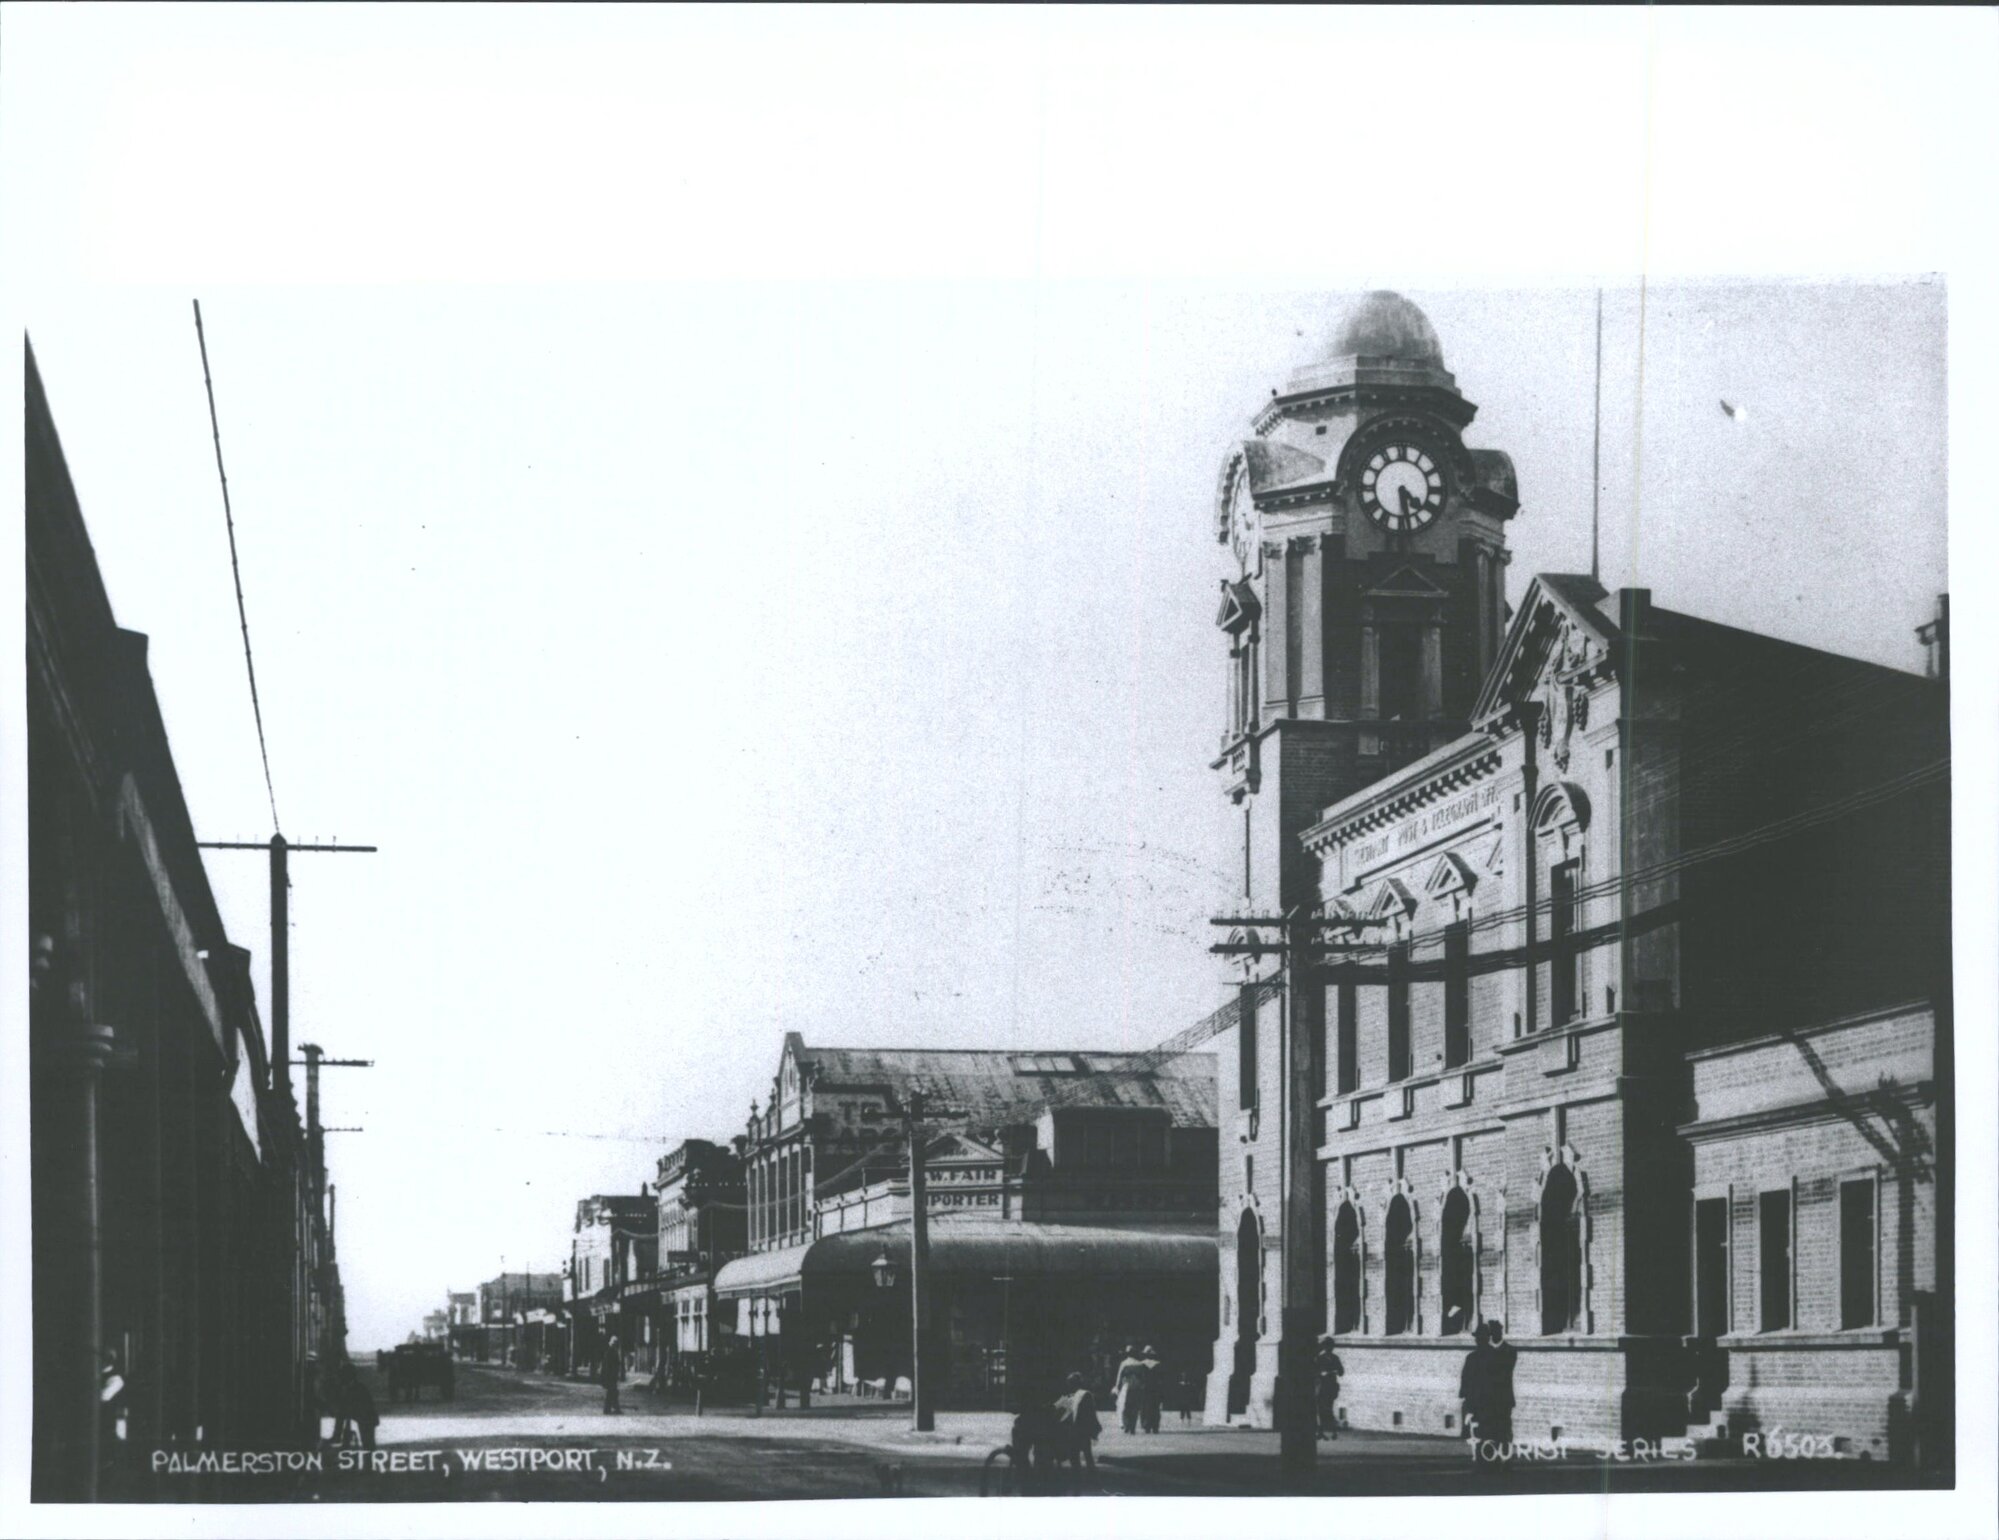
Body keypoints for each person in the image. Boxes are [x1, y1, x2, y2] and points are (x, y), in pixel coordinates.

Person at [1052, 1371, 1102, 1477]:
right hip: (1074, 1430)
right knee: (1078, 1454)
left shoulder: (1084, 1394)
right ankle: (1081, 1475)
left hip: (1080, 1430)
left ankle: (1087, 1476)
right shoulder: (1071, 1396)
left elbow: (1090, 1413)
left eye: (1071, 1383)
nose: (1069, 1385)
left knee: (1083, 1454)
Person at [1113, 1343, 1147, 1435]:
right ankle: (1132, 1427)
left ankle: (1126, 1425)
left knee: (1126, 1406)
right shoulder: (1139, 1364)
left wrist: (1117, 1387)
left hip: (1126, 1387)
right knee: (1135, 1407)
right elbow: (1143, 1378)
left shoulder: (1124, 1363)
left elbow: (1119, 1377)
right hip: (1137, 1387)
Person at [1315, 1337, 1344, 1440]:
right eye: (1327, 1346)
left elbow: (1341, 1372)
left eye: (1330, 1346)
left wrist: (1333, 1371)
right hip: (1321, 1386)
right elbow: (1315, 1371)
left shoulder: (1335, 1358)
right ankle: (1321, 1431)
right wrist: (1321, 1373)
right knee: (1320, 1409)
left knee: (1328, 1408)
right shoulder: (1320, 1358)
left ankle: (1332, 1431)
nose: (1329, 1348)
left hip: (1331, 1386)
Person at [1138, 1346, 1164, 1434]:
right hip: (1155, 1388)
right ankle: (1155, 1426)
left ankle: (1147, 1425)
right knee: (1155, 1407)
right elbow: (1161, 1378)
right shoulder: (1158, 1364)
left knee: (1145, 1406)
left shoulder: (1141, 1364)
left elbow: (1140, 1377)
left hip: (1145, 1388)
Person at [600, 1331, 622, 1415]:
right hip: (611, 1376)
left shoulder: (610, 1351)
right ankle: (609, 1409)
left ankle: (613, 1408)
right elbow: (609, 1366)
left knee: (613, 1392)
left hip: (611, 1375)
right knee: (612, 1393)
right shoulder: (611, 1352)